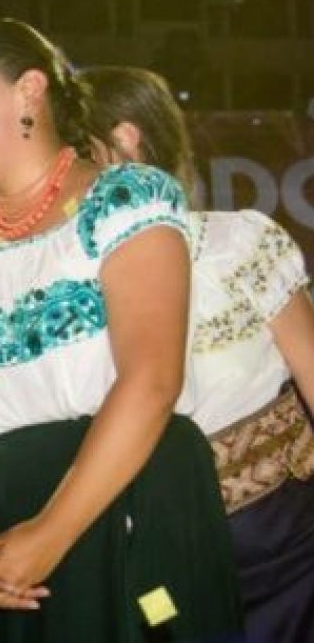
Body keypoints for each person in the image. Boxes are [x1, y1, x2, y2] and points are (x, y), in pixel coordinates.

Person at [0, 18, 242, 642]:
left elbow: (151, 380)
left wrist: (49, 536)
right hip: (3, 528)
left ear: (29, 90)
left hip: (129, 503)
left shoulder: (126, 199)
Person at [83, 65, 314, 643]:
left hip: (285, 545)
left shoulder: (236, 243)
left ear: (124, 142)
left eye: (69, 151)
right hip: (150, 550)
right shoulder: (59, 276)